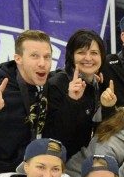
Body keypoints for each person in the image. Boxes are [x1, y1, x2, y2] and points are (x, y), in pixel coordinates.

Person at [0, 30, 91, 177]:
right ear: (18, 59)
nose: (42, 63)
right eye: (34, 56)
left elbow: (58, 132)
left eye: (47, 57)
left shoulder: (50, 87)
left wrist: (72, 100)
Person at [48, 28, 118, 157]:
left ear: (102, 57)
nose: (88, 58)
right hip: (61, 159)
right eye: (81, 52)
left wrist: (108, 108)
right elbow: (55, 137)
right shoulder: (57, 84)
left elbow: (101, 131)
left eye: (94, 53)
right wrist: (71, 101)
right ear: (71, 56)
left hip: (87, 156)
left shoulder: (98, 83)